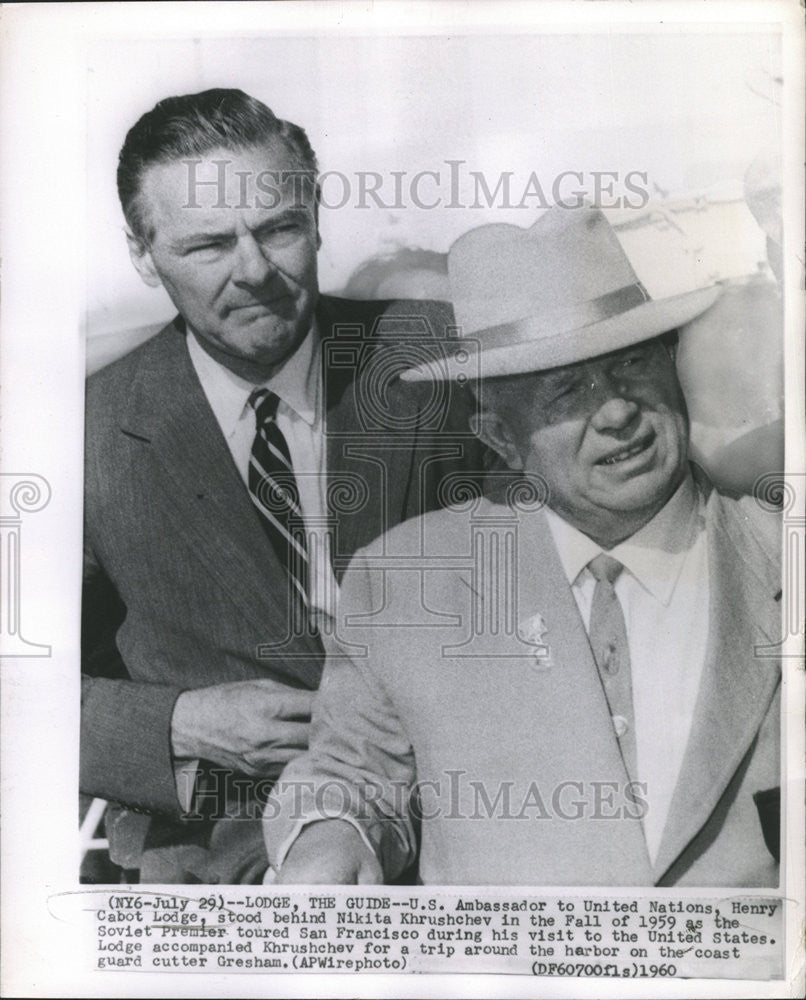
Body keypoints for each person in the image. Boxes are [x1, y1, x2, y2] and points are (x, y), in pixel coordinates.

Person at [264, 204, 782, 887]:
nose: (619, 410)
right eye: (567, 389)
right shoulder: (409, 580)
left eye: (631, 364)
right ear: (501, 439)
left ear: (672, 366)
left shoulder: (782, 557)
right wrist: (329, 834)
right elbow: (352, 769)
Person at [81, 89, 484, 883]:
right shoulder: (86, 432)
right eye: (207, 246)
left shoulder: (442, 358)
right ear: (141, 252)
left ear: (317, 218)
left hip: (467, 817)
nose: (255, 271)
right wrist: (176, 723)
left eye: (279, 229)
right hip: (225, 853)